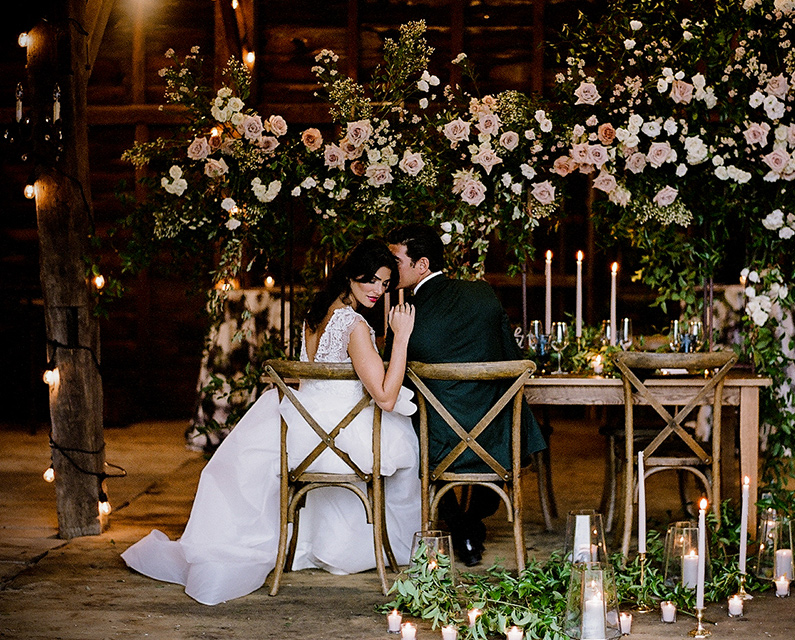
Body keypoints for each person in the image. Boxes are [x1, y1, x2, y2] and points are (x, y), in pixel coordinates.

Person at [121, 239, 421, 605]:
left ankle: (326, 544)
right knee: (404, 438)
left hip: (304, 433)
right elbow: (386, 398)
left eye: (386, 284)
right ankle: (387, 547)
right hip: (336, 437)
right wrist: (402, 337)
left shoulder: (318, 314)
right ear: (350, 275)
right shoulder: (354, 325)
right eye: (370, 280)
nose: (378, 290)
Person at [386, 223, 545, 566]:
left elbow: (393, 381)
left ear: (422, 265)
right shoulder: (483, 295)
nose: (386, 267)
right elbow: (512, 362)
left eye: (395, 259)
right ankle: (469, 524)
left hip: (434, 444)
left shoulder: (405, 316)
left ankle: (459, 524)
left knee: (402, 425)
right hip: (495, 442)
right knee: (507, 423)